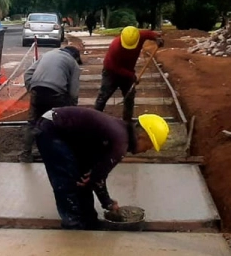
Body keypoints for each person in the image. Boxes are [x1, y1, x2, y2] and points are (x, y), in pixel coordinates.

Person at [35, 107, 169, 229]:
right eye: (149, 146)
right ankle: (72, 225)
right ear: (143, 136)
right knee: (66, 179)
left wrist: (103, 198)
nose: (146, 151)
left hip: (62, 129)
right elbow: (98, 178)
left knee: (83, 177)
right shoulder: (120, 143)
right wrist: (108, 203)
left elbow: (93, 175)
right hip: (52, 128)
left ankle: (89, 220)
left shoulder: (119, 134)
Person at [20, 46, 82, 162]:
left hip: (37, 90)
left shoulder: (48, 54)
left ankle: (25, 154)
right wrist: (71, 110)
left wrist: (32, 90)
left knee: (33, 123)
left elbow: (28, 73)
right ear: (75, 56)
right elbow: (73, 92)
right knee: (58, 123)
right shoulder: (73, 63)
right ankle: (56, 153)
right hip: (56, 93)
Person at [94, 25, 163, 116]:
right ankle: (95, 117)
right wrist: (131, 76)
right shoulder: (115, 47)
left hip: (128, 70)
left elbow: (148, 33)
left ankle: (127, 122)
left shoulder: (138, 36)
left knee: (129, 97)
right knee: (103, 96)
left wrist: (156, 37)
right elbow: (113, 67)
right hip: (111, 73)